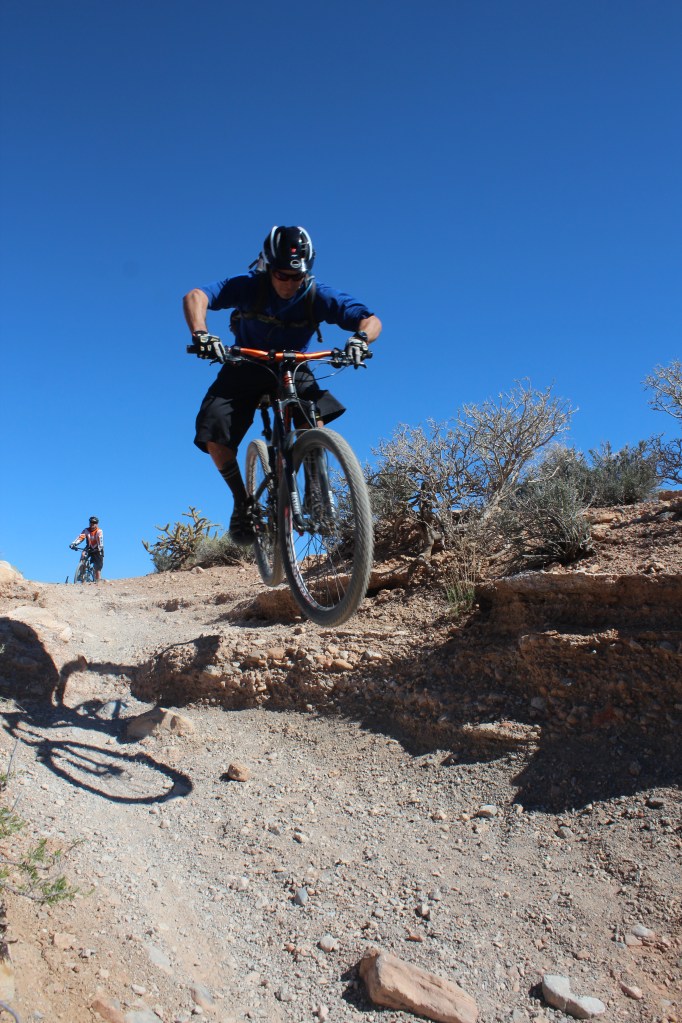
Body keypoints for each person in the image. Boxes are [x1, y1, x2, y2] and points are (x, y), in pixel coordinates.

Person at [183, 225, 382, 544]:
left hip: (293, 364)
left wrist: (359, 339)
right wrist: (201, 334)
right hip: (245, 364)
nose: (289, 283)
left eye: (297, 276)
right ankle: (242, 502)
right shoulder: (249, 287)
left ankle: (316, 490)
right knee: (214, 431)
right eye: (281, 275)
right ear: (267, 267)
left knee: (311, 415)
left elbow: (370, 320)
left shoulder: (318, 295)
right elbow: (197, 296)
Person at [69, 516, 104, 581]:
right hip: (89, 548)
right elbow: (80, 537)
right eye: (91, 523)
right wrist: (74, 543)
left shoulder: (99, 531)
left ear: (97, 524)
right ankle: (81, 573)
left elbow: (100, 540)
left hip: (97, 549)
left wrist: (100, 548)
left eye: (94, 523)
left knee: (97, 568)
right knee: (83, 554)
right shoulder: (86, 530)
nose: (92, 524)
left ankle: (98, 582)